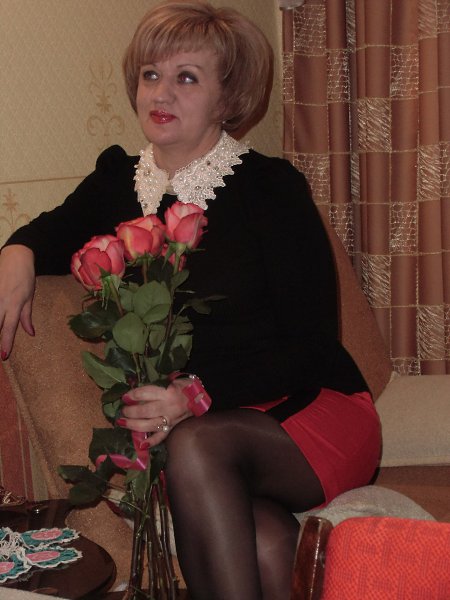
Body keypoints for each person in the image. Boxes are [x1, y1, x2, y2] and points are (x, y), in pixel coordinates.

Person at [0, 2, 381, 598]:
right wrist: (16, 252)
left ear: (227, 97)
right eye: (151, 74)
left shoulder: (270, 188)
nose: (162, 93)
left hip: (311, 413)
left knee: (193, 444)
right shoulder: (118, 181)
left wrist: (194, 393)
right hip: (213, 434)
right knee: (265, 543)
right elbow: (49, 232)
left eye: (187, 77)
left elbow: (312, 346)